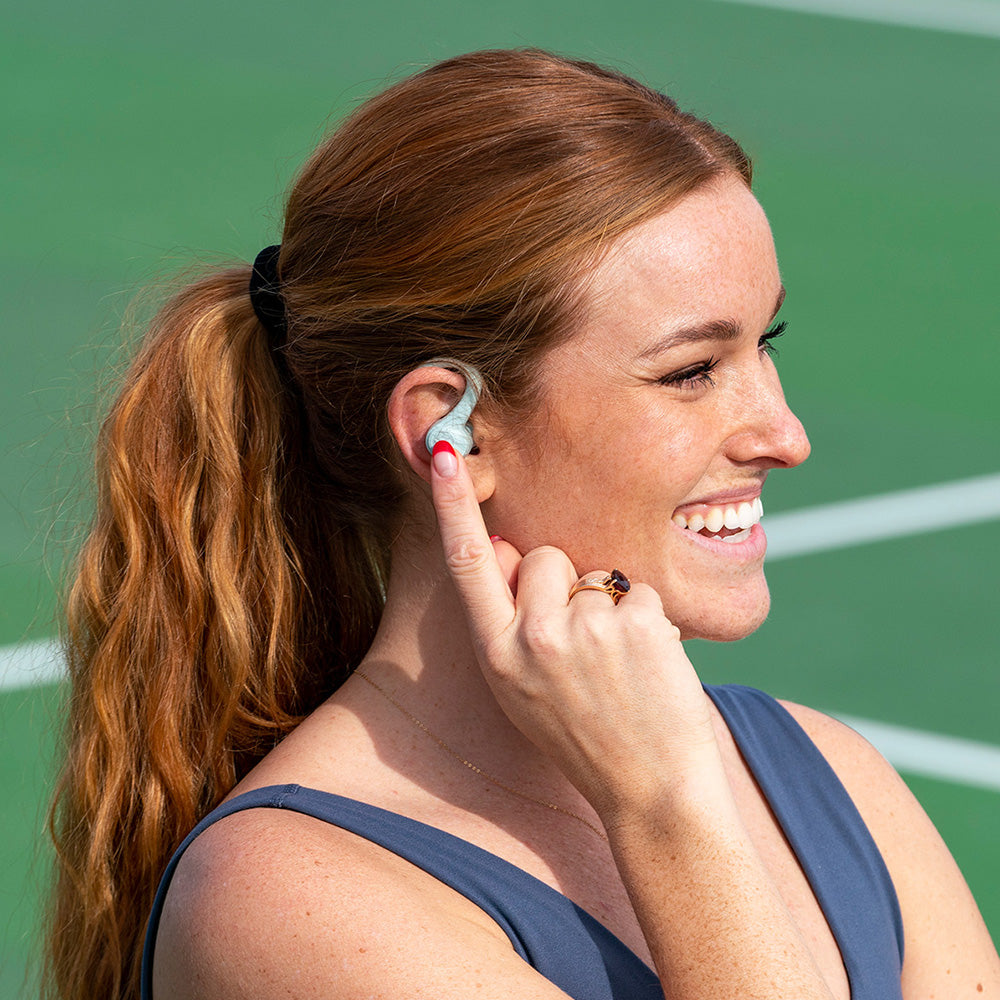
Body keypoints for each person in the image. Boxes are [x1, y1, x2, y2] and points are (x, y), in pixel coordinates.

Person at [45, 48, 999, 1000]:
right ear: (449, 430)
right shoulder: (291, 903)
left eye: (766, 344)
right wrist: (665, 813)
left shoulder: (833, 776)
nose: (784, 435)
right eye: (690, 372)